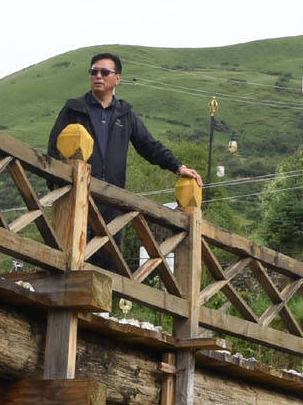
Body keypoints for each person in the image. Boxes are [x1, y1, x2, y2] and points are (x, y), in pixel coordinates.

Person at [46, 52, 200, 260]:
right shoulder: (74, 109)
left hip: (111, 203)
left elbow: (149, 145)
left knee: (108, 263)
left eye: (104, 72)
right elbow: (53, 149)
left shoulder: (125, 114)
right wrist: (56, 184)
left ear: (117, 78)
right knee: (69, 259)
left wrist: (178, 167)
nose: (98, 76)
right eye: (93, 72)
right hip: (75, 197)